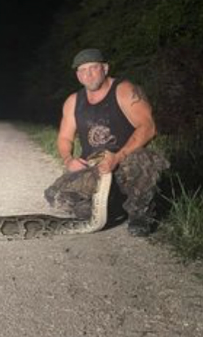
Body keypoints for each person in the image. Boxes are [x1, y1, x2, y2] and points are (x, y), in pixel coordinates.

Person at [44, 49, 169, 237]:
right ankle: (112, 207)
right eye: (82, 70)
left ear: (105, 68)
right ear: (78, 75)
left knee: (144, 160)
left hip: (124, 162)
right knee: (56, 196)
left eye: (93, 68)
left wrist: (118, 157)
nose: (88, 74)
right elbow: (64, 138)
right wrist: (69, 159)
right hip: (95, 167)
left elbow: (148, 127)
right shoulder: (73, 101)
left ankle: (140, 214)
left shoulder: (125, 90)